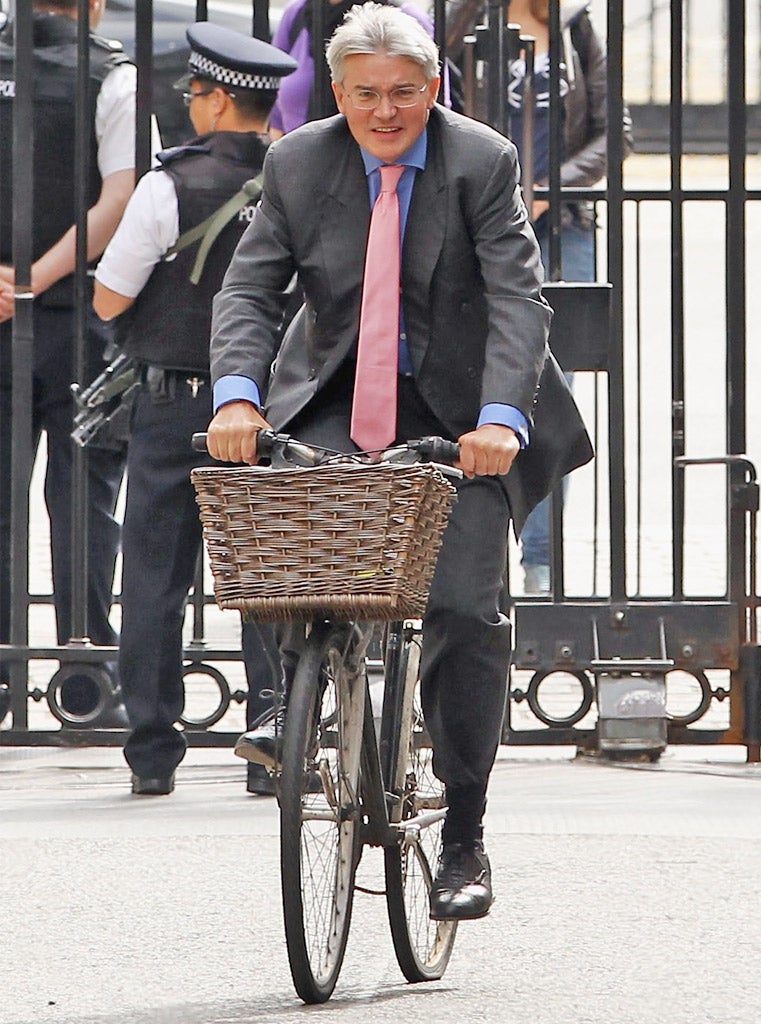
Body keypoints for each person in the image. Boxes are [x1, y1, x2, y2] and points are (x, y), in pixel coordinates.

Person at [205, 4, 592, 919]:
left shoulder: (480, 160)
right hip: (340, 394)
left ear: (435, 89)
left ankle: (464, 830)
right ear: (336, 93)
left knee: (463, 603)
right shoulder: (298, 160)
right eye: (367, 95)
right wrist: (235, 393)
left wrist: (502, 418)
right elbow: (250, 285)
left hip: (458, 405)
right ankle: (293, 704)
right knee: (282, 520)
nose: (386, 112)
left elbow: (517, 300)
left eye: (405, 95)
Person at [92, 22, 296, 797]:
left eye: (193, 94)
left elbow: (111, 294)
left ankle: (151, 750)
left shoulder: (168, 184)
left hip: (175, 405)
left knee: (153, 577)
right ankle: (277, 731)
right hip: (273, 409)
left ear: (215, 100)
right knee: (271, 576)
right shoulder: (302, 177)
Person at [0, 0, 158, 723]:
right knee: (84, 499)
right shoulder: (113, 78)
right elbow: (122, 198)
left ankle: (4, 675)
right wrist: (37, 276)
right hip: (78, 318)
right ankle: (85, 670)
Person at [506, 0, 633, 593]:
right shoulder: (459, 20)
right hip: (481, 223)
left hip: (566, 227)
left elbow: (615, 135)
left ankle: (541, 563)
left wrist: (547, 189)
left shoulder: (576, 26)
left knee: (554, 393)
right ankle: (464, 562)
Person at [268, 0, 436, 137]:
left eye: (402, 92)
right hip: (303, 165)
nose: (386, 112)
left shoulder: (406, 18)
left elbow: (438, 106)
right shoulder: (297, 14)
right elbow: (275, 114)